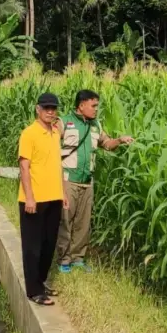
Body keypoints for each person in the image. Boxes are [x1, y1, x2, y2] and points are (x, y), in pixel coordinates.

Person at [56, 89, 134, 273]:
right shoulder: (64, 122)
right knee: (66, 221)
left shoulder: (96, 125)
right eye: (93, 106)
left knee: (83, 223)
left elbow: (107, 144)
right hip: (68, 180)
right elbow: (49, 142)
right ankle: (64, 259)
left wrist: (120, 140)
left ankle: (78, 258)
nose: (96, 109)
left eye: (97, 106)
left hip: (87, 181)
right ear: (81, 105)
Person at [17, 92, 67, 306]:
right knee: (32, 246)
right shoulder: (29, 133)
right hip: (34, 199)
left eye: (53, 108)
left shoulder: (55, 132)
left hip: (54, 197)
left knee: (49, 244)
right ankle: (34, 290)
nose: (50, 111)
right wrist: (29, 197)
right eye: (46, 108)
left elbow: (58, 165)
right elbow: (24, 166)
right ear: (37, 109)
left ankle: (41, 281)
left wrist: (63, 193)